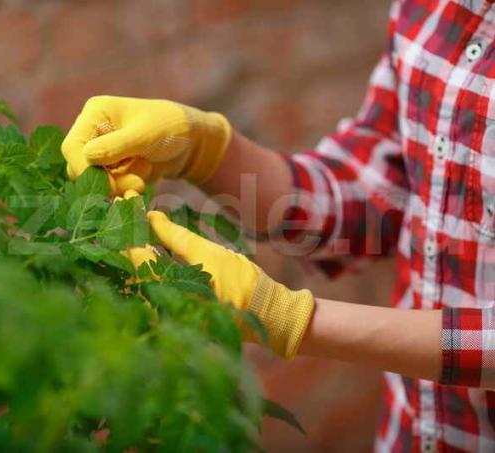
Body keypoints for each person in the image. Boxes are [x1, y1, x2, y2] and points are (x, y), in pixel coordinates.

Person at [61, 1, 495, 451]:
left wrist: (286, 318)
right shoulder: (433, 7)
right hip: (410, 433)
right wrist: (209, 152)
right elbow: (382, 189)